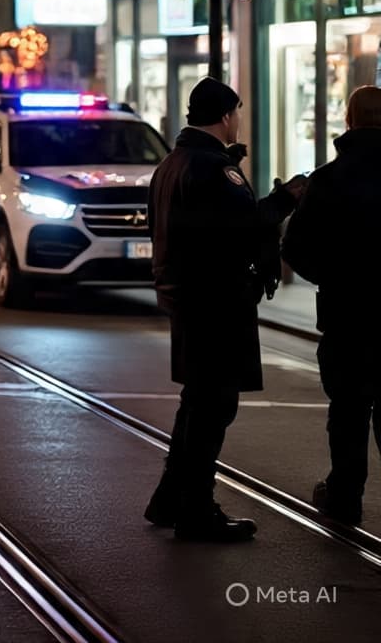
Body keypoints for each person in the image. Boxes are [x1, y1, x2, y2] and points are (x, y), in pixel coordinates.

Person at [143, 76, 304, 542]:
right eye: (236, 112)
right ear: (226, 115)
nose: (238, 120)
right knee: (213, 407)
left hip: (187, 297)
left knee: (197, 401)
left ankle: (170, 498)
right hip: (216, 301)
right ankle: (196, 509)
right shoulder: (213, 168)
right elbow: (244, 226)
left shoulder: (172, 163)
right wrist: (286, 199)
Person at [282, 84, 381, 527]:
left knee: (348, 411)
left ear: (349, 120)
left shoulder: (327, 180)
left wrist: (334, 276)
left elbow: (294, 247)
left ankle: (344, 496)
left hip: (347, 315)